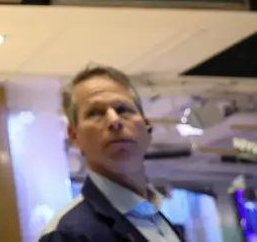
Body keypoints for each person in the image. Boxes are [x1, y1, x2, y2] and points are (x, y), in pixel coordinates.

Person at [39, 64, 182, 242]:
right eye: (95, 113)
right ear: (74, 136)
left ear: (146, 126)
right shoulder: (67, 234)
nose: (114, 120)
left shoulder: (158, 221)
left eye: (123, 109)